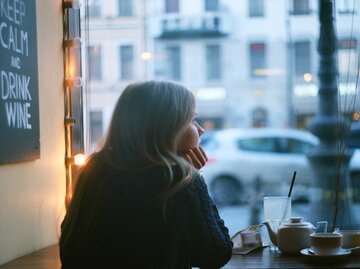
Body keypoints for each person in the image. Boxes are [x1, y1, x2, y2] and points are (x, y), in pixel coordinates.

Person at [59, 81, 233, 269]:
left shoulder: (94, 168)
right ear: (168, 128)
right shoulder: (177, 180)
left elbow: (71, 250)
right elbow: (217, 254)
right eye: (192, 120)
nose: (201, 129)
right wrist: (192, 177)